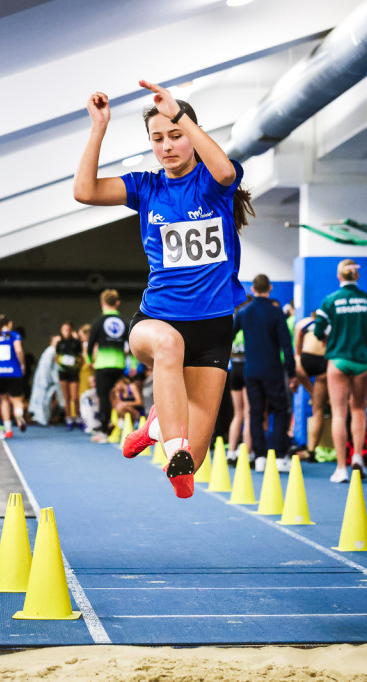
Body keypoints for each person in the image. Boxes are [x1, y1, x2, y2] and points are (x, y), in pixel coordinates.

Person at [74, 80, 254, 498]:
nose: (168, 146)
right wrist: (99, 127)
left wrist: (179, 115)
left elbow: (226, 170)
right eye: (158, 139)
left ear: (190, 133)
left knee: (202, 452)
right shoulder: (146, 187)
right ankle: (173, 447)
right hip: (156, 321)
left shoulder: (213, 183)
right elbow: (84, 191)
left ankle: (157, 427)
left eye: (176, 136)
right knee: (169, 347)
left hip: (212, 327)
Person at [313, 259, 367, 483]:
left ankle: (341, 468)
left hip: (338, 359)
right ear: (357, 277)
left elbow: (317, 331)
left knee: (339, 413)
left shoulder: (330, 301)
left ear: (339, 277)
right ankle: (358, 459)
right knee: (358, 409)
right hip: (363, 360)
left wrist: (331, 340)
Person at [234, 275, 297, 472]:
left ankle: (259, 456)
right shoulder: (277, 313)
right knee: (280, 411)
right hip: (273, 371)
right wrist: (292, 373)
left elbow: (227, 336)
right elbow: (287, 346)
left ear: (253, 288)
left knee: (255, 413)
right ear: (270, 288)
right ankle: (278, 455)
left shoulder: (243, 313)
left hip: (251, 371)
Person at [88, 290, 129, 442]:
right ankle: (122, 424)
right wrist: (132, 363)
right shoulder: (125, 323)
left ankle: (105, 430)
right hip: (119, 365)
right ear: (117, 303)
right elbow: (131, 345)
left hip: (103, 365)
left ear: (102, 303)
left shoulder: (98, 322)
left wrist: (89, 360)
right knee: (118, 396)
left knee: (103, 397)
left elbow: (90, 344)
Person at [294, 309, 329, 459]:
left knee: (296, 368)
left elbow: (297, 351)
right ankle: (311, 450)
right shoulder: (330, 324)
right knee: (318, 409)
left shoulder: (302, 323)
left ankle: (312, 393)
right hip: (325, 362)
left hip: (306, 360)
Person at [0, 314, 26, 439]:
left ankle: (8, 430)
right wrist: (23, 364)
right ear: (10, 324)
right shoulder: (14, 335)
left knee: (3, 399)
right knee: (17, 399)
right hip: (13, 371)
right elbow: (18, 350)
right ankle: (18, 414)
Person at [227, 308, 251, 463]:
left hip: (234, 370)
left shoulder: (233, 332)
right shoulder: (248, 331)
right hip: (247, 370)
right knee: (248, 414)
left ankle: (231, 451)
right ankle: (247, 453)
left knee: (238, 414)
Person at [54, 322, 83, 433]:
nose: (66, 332)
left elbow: (81, 358)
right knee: (66, 398)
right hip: (63, 373)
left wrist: (76, 366)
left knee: (75, 397)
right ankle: (69, 419)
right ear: (61, 331)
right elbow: (56, 358)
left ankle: (78, 418)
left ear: (71, 330)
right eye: (64, 329)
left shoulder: (76, 343)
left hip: (74, 373)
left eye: (68, 329)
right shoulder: (59, 343)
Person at [29, 334, 61, 426]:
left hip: (50, 381)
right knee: (43, 401)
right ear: (52, 342)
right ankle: (42, 419)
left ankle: (45, 419)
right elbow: (45, 367)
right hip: (45, 381)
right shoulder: (50, 351)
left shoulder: (55, 352)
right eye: (56, 341)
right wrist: (45, 381)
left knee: (47, 401)